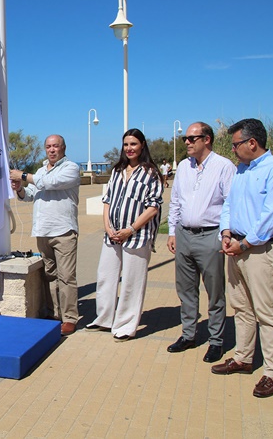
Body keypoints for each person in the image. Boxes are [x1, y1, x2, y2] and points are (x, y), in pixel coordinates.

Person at [212, 118, 273, 398]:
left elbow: (270, 217)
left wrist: (244, 244)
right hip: (235, 246)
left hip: (260, 250)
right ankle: (243, 358)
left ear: (252, 143)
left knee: (266, 313)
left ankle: (272, 372)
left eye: (235, 144)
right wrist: (225, 232)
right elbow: (229, 204)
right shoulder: (241, 171)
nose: (232, 150)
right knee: (242, 308)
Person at [166, 122, 235, 363]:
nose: (187, 142)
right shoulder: (184, 167)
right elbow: (175, 201)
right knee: (185, 290)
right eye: (185, 138)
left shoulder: (224, 166)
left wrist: (225, 234)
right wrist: (172, 232)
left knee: (215, 291)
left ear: (206, 140)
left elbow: (230, 203)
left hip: (210, 235)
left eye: (192, 138)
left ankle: (216, 341)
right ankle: (189, 334)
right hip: (184, 234)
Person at [86, 128, 163, 342]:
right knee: (105, 277)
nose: (129, 148)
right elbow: (107, 201)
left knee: (132, 281)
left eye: (134, 144)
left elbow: (153, 206)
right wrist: (108, 227)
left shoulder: (150, 173)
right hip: (112, 235)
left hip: (137, 236)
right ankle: (105, 318)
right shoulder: (117, 171)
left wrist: (131, 229)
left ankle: (126, 325)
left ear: (142, 146)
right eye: (126, 144)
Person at [10, 135, 80, 336]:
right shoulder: (41, 170)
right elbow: (30, 194)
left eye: (55, 146)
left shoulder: (71, 168)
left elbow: (51, 183)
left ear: (63, 148)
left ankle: (69, 318)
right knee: (50, 276)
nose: (51, 150)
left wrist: (23, 176)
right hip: (43, 231)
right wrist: (20, 188)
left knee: (66, 277)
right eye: (48, 146)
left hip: (63, 231)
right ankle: (54, 313)